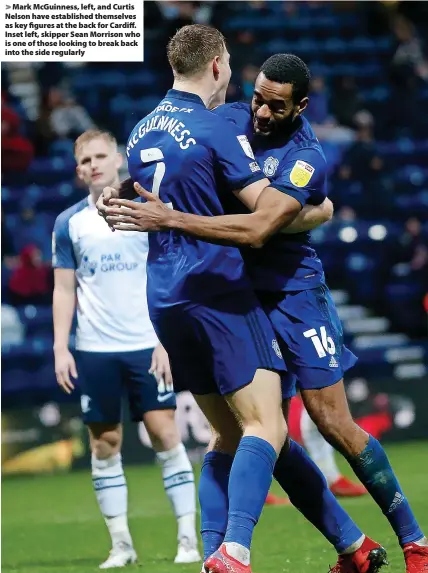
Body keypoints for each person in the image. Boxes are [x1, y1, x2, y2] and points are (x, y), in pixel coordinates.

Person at [109, 52, 428, 573]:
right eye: (257, 96)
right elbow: (180, 171)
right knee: (264, 432)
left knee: (332, 422)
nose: (259, 111)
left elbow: (260, 227)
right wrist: (119, 193)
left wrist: (173, 218)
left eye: (275, 105)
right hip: (239, 295)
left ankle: (416, 542)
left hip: (294, 293)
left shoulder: (306, 156)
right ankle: (350, 550)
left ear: (300, 106)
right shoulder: (230, 118)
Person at [52, 129, 200, 569]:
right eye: (85, 160)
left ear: (118, 159)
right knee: (105, 444)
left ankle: (188, 539)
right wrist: (62, 347)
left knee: (165, 436)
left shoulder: (144, 213)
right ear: (78, 170)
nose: (93, 165)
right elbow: (64, 290)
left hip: (145, 345)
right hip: (94, 350)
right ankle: (121, 545)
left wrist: (164, 339)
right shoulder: (69, 223)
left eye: (100, 156)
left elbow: (168, 277)